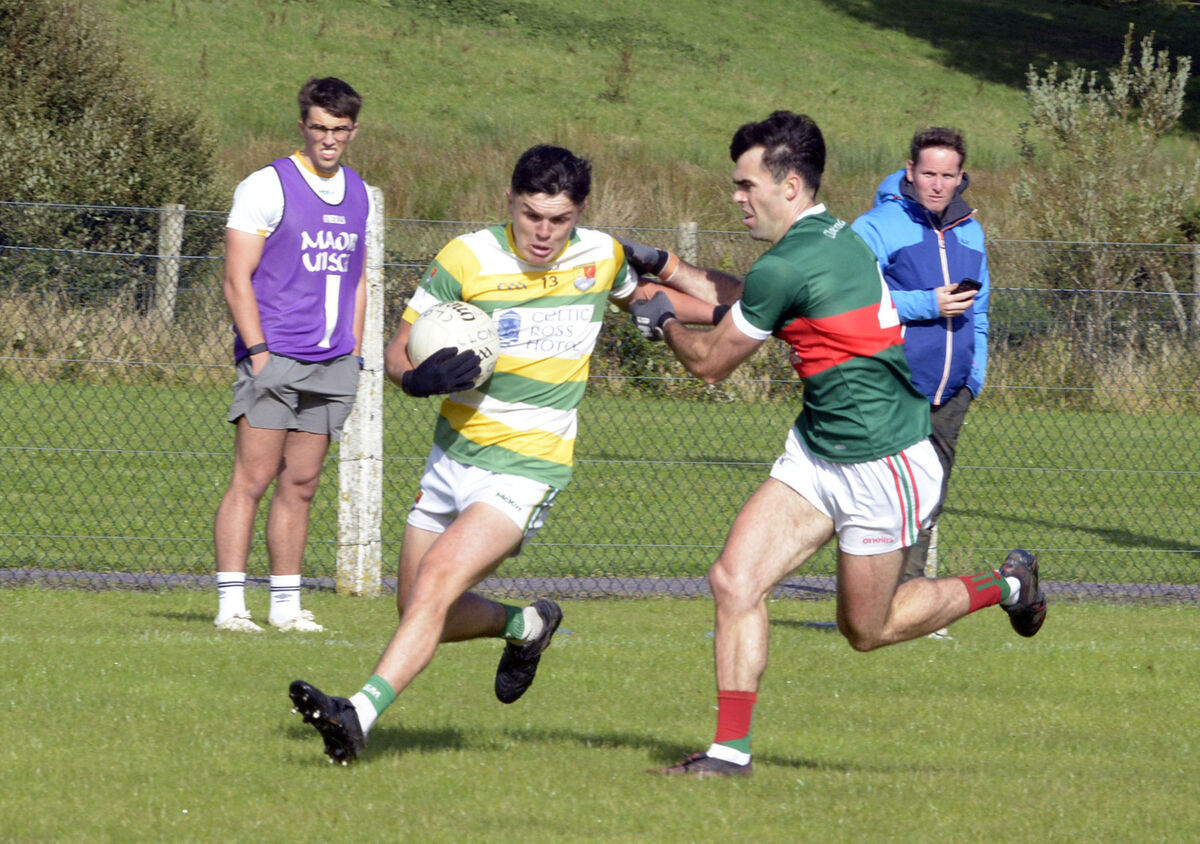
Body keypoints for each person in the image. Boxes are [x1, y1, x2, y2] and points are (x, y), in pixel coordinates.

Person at [621, 110, 1046, 778]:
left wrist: (663, 317)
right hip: (820, 453)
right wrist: (668, 267)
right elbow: (754, 297)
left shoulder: (794, 259)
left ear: (789, 186)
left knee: (865, 631)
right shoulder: (828, 238)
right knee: (735, 579)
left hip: (887, 463)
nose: (736, 197)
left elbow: (709, 361)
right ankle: (729, 753)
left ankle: (1008, 584)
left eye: (746, 184)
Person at [288, 144, 670, 764]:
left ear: (579, 214)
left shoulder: (601, 256)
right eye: (531, 215)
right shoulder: (466, 258)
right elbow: (398, 349)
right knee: (416, 605)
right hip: (452, 455)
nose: (544, 233)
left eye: (560, 219)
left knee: (438, 581)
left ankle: (357, 713)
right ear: (509, 201)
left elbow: (650, 294)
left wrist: (740, 314)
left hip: (528, 462)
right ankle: (527, 626)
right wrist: (413, 380)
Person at [212, 77, 375, 633]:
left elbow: (357, 281)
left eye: (340, 129)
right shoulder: (266, 185)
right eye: (319, 127)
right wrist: (258, 353)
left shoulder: (359, 193)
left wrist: (352, 355)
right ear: (303, 125)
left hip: (333, 365)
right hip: (274, 356)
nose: (329, 139)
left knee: (301, 485)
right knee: (251, 480)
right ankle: (232, 605)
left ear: (354, 130)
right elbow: (237, 278)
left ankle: (286, 606)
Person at [851, 127, 990, 585]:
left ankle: (908, 604)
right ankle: (865, 602)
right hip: (892, 386)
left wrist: (974, 378)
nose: (936, 184)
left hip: (951, 395)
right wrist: (927, 304)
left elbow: (982, 312)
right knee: (879, 501)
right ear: (910, 172)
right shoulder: (874, 228)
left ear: (960, 177)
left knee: (927, 504)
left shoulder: (972, 232)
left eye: (947, 175)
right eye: (928, 173)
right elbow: (853, 304)